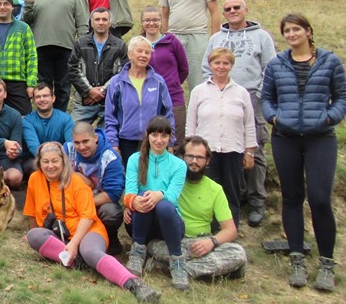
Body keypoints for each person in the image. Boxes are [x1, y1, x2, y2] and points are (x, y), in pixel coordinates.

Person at [262, 13, 346, 291]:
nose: (291, 34)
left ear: (309, 32)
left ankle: (326, 263)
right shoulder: (277, 64)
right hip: (285, 137)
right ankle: (297, 258)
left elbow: (343, 96)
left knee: (320, 199)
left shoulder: (330, 61)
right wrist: (274, 117)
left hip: (320, 138)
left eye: (296, 29)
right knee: (291, 197)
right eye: (287, 30)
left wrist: (329, 117)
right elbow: (267, 98)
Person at [24, 142, 160, 304]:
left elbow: (87, 217)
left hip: (88, 229)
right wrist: (35, 233)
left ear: (63, 161)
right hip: (59, 233)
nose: (50, 166)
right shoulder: (35, 179)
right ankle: (77, 260)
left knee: (90, 252)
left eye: (55, 161)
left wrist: (74, 243)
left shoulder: (76, 181)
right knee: (33, 235)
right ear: (39, 163)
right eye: (45, 161)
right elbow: (31, 211)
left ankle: (133, 284)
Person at [202, 0, 276, 226]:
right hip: (220, 97)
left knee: (254, 149)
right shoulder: (217, 38)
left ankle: (256, 200)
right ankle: (229, 200)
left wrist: (260, 95)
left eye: (237, 7)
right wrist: (213, 91)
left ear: (246, 9)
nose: (232, 11)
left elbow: (270, 68)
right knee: (223, 149)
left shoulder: (261, 37)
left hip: (252, 97)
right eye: (228, 8)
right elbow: (206, 67)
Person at [146, 136, 247, 280]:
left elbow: (230, 230)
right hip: (173, 242)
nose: (194, 161)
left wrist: (211, 242)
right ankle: (204, 269)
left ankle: (179, 269)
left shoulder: (215, 189)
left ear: (208, 161)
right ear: (181, 157)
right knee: (153, 246)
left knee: (237, 252)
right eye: (190, 156)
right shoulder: (169, 182)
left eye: (200, 157)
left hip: (203, 241)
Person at [186, 48, 256, 226]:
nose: (221, 67)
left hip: (233, 149)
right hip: (205, 152)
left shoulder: (241, 93)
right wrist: (190, 150)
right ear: (210, 65)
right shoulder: (199, 91)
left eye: (226, 63)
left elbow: (249, 124)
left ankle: (230, 230)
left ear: (231, 65)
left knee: (231, 192)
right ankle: (209, 228)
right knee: (207, 192)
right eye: (217, 63)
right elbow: (191, 122)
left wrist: (249, 152)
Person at [123, 116, 189, 291]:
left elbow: (172, 195)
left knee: (163, 205)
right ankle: (137, 253)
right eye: (155, 135)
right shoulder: (135, 159)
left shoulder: (179, 165)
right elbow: (129, 193)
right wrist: (133, 202)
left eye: (164, 136)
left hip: (170, 223)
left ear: (169, 138)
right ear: (148, 135)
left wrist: (159, 194)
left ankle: (177, 262)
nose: (159, 140)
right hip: (140, 222)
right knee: (143, 197)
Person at [22, 0, 87, 112]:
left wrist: (81, 46)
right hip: (41, 48)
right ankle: (44, 115)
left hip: (66, 48)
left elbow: (82, 23)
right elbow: (26, 22)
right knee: (43, 86)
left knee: (63, 87)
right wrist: (28, 5)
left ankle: (59, 117)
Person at [105, 36, 176, 165]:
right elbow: (110, 116)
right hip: (126, 141)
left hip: (154, 140)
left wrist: (170, 142)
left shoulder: (158, 81)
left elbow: (168, 114)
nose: (143, 55)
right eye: (139, 51)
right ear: (129, 54)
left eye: (147, 52)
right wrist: (113, 143)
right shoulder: (117, 82)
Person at [159, 0, 220, 91]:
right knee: (169, 79)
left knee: (198, 80)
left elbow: (215, 13)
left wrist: (215, 40)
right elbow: (164, 15)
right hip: (174, 37)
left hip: (197, 36)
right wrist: (163, 38)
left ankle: (199, 105)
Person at [64, 123, 125, 255]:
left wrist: (84, 204)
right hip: (71, 199)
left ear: (95, 138)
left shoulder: (110, 157)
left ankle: (109, 238)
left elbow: (113, 194)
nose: (82, 147)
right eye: (77, 142)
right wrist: (76, 175)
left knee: (111, 212)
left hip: (96, 201)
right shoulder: (67, 150)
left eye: (85, 141)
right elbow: (56, 174)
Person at [140, 5, 190, 146]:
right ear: (142, 23)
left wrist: (172, 83)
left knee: (175, 142)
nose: (151, 23)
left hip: (174, 98)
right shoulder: (139, 44)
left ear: (161, 21)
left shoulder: (172, 41)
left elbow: (184, 68)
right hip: (147, 100)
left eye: (155, 20)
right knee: (149, 142)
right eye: (147, 20)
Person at [67, 8, 126, 125]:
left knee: (110, 134)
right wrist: (89, 91)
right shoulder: (80, 43)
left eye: (104, 19)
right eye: (97, 19)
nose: (101, 22)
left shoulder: (120, 45)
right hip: (84, 102)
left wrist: (103, 91)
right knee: (71, 130)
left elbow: (122, 73)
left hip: (110, 102)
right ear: (91, 23)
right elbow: (73, 69)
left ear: (110, 23)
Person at [21, 81, 75, 162]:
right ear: (34, 100)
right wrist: (49, 161)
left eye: (45, 96)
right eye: (38, 97)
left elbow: (70, 145)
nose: (42, 99)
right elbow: (34, 148)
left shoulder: (66, 119)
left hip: (61, 159)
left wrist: (56, 161)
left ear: (53, 98)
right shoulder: (27, 121)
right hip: (36, 160)